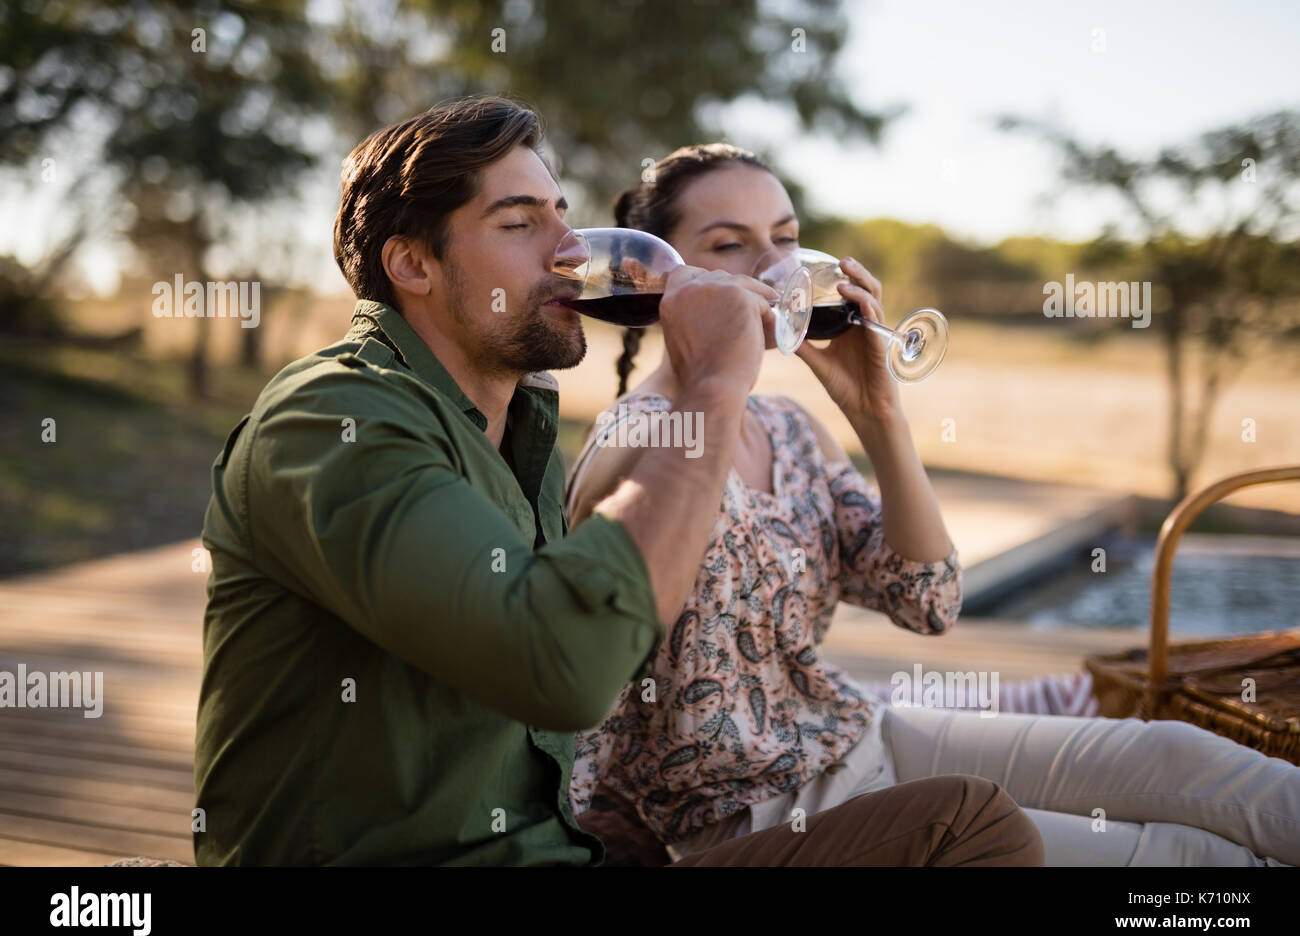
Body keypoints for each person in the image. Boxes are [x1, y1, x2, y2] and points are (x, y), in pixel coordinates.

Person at [192, 96, 1044, 867]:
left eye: (561, 214)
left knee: (977, 821)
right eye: (519, 223)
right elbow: (565, 666)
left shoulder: (513, 432)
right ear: (412, 265)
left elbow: (924, 601)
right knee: (974, 828)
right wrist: (711, 384)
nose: (570, 251)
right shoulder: (334, 420)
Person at [565, 144, 1300, 867]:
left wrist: (878, 412)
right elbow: (600, 626)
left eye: (785, 238)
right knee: (1183, 856)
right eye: (730, 245)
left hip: (861, 736)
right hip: (759, 813)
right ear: (663, 275)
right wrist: (712, 374)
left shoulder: (788, 429)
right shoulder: (633, 438)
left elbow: (930, 600)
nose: (772, 265)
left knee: (1172, 755)